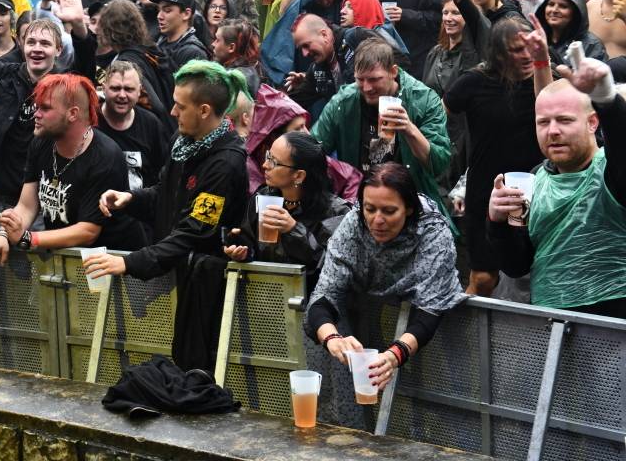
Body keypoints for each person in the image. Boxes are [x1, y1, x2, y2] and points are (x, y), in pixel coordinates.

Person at [84, 62, 250, 372]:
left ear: (204, 110)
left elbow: (195, 231)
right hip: (173, 274)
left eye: (179, 105)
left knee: (201, 371)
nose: (172, 111)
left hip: (207, 292)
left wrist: (130, 262)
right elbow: (165, 193)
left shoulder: (225, 164)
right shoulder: (182, 142)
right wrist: (130, 200)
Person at [307, 163, 465, 393]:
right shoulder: (354, 222)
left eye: (389, 211)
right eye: (370, 209)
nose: (377, 220)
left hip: (431, 332)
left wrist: (395, 354)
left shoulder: (433, 230)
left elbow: (430, 310)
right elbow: (324, 293)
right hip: (364, 317)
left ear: (409, 208)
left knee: (435, 397)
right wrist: (333, 339)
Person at [487, 53, 626, 317]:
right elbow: (516, 265)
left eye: (564, 120)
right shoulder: (534, 180)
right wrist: (497, 222)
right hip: (552, 326)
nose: (552, 131)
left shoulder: (613, 169)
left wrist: (607, 99)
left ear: (592, 122)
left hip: (615, 325)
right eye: (543, 122)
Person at [0, 72, 148, 265]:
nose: (36, 114)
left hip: (112, 261)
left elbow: (88, 232)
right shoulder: (41, 142)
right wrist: (4, 234)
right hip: (65, 258)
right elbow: (27, 205)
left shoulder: (106, 156)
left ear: (72, 114)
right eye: (37, 107)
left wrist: (29, 239)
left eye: (45, 108)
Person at [445, 16, 549, 297]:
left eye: (530, 47)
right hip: (486, 192)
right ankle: (468, 339)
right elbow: (445, 113)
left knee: (533, 276)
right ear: (499, 53)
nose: (526, 55)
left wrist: (543, 62)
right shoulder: (475, 81)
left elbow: (546, 105)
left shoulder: (544, 78)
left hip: (537, 191)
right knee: (483, 278)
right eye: (517, 49)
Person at [312, 38, 452, 219]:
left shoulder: (423, 100)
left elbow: (439, 163)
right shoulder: (344, 101)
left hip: (411, 203)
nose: (367, 87)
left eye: (374, 79)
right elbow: (315, 150)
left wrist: (409, 129)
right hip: (360, 203)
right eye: (360, 80)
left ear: (393, 72)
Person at [223, 132, 349, 275]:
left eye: (274, 162)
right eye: (267, 156)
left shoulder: (336, 212)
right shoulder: (264, 198)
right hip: (266, 292)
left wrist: (294, 230)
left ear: (299, 176)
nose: (265, 165)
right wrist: (242, 251)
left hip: (310, 295)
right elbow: (253, 248)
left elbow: (334, 268)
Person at [0, 16, 61, 226]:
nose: (37, 48)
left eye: (45, 43)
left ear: (58, 50)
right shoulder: (5, 75)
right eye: (31, 42)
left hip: (44, 203)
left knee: (35, 259)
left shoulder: (65, 87)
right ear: (22, 46)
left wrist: (79, 29)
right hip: (1, 197)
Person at [97, 60, 168, 193]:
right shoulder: (90, 121)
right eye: (115, 88)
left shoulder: (151, 125)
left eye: (129, 89)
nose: (122, 95)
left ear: (139, 91)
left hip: (138, 209)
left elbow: (163, 172)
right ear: (103, 88)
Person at [150, 0, 210, 69]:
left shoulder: (193, 53)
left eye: (167, 10)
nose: (159, 16)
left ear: (186, 14)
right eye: (159, 10)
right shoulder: (159, 42)